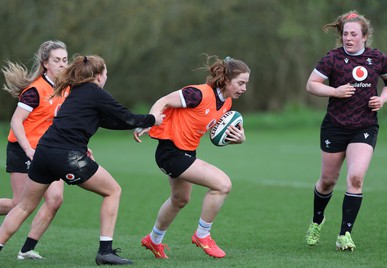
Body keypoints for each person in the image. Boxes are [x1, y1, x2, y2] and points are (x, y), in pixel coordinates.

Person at [0, 54, 165, 265]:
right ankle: (105, 251)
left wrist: (136, 124)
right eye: (106, 73)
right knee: (113, 190)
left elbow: (108, 120)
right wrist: (153, 120)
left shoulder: (76, 92)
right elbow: (124, 115)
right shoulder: (94, 91)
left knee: (23, 206)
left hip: (43, 153)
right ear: (98, 76)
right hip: (67, 156)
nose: (106, 77)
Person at [134, 55, 250, 259]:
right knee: (222, 185)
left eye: (246, 84)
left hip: (187, 152)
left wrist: (238, 139)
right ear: (226, 80)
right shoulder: (197, 94)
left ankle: (153, 240)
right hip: (171, 153)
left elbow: (217, 136)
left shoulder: (226, 104)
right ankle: (203, 235)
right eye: (240, 83)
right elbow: (164, 100)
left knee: (180, 199)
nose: (244, 88)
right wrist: (149, 121)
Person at [305, 10, 387, 251]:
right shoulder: (332, 59)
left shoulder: (377, 58)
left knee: (356, 178)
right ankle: (317, 220)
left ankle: (344, 234)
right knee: (327, 182)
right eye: (345, 34)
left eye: (354, 34)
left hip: (365, 127)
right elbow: (311, 85)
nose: (348, 38)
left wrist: (383, 99)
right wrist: (334, 91)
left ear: (364, 36)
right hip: (335, 126)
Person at [0, 40, 69, 260]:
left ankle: (27, 248)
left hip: (49, 151)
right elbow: (16, 122)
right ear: (45, 64)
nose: (62, 64)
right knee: (19, 204)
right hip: (23, 149)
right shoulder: (35, 90)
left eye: (65, 60)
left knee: (55, 199)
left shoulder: (66, 88)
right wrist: (29, 149)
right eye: (56, 60)